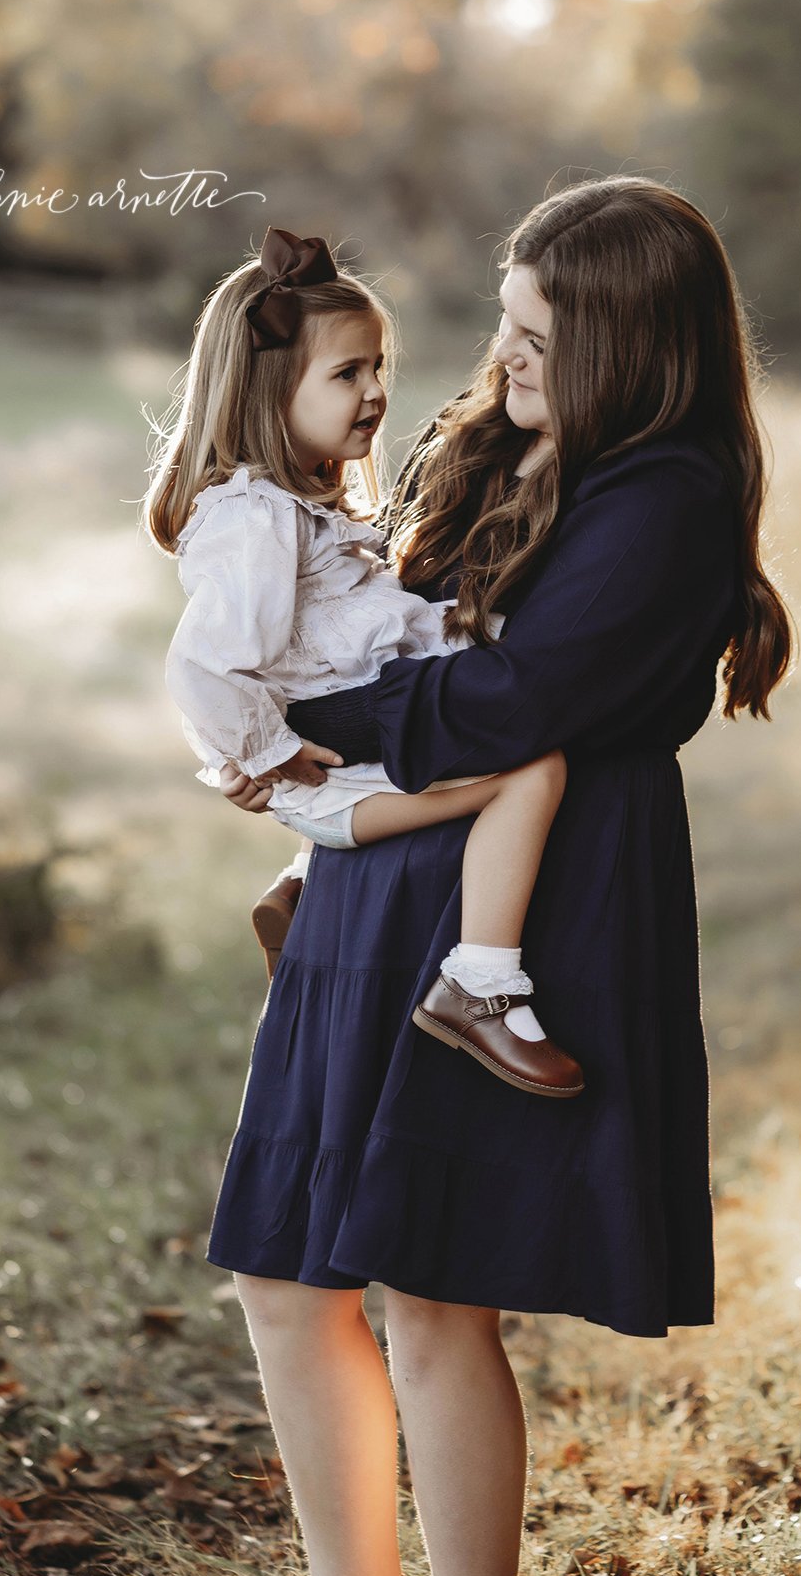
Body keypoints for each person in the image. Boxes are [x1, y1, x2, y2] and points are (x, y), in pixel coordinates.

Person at [209, 179, 793, 1576]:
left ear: (628, 342)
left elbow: (509, 700)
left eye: (543, 336)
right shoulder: (507, 441)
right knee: (287, 1272)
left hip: (522, 904)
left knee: (430, 1279)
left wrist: (290, 728)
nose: (507, 359)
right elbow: (385, 627)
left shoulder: (665, 493)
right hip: (378, 875)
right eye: (507, 323)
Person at [147, 224, 585, 1099]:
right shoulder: (258, 520)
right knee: (531, 773)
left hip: (339, 771)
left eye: (378, 367)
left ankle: (303, 887)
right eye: (347, 374)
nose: (377, 391)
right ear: (270, 391)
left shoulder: (291, 509)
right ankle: (481, 986)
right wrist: (261, 755)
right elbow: (204, 667)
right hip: (333, 788)